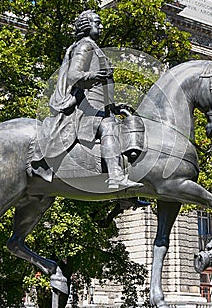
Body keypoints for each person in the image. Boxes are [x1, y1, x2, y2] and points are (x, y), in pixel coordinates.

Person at [30, 10, 143, 190]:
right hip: (85, 109)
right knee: (109, 127)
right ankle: (115, 176)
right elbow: (74, 75)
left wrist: (113, 107)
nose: (101, 26)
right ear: (86, 25)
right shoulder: (85, 46)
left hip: (98, 107)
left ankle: (126, 195)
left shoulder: (93, 46)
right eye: (97, 23)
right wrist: (95, 75)